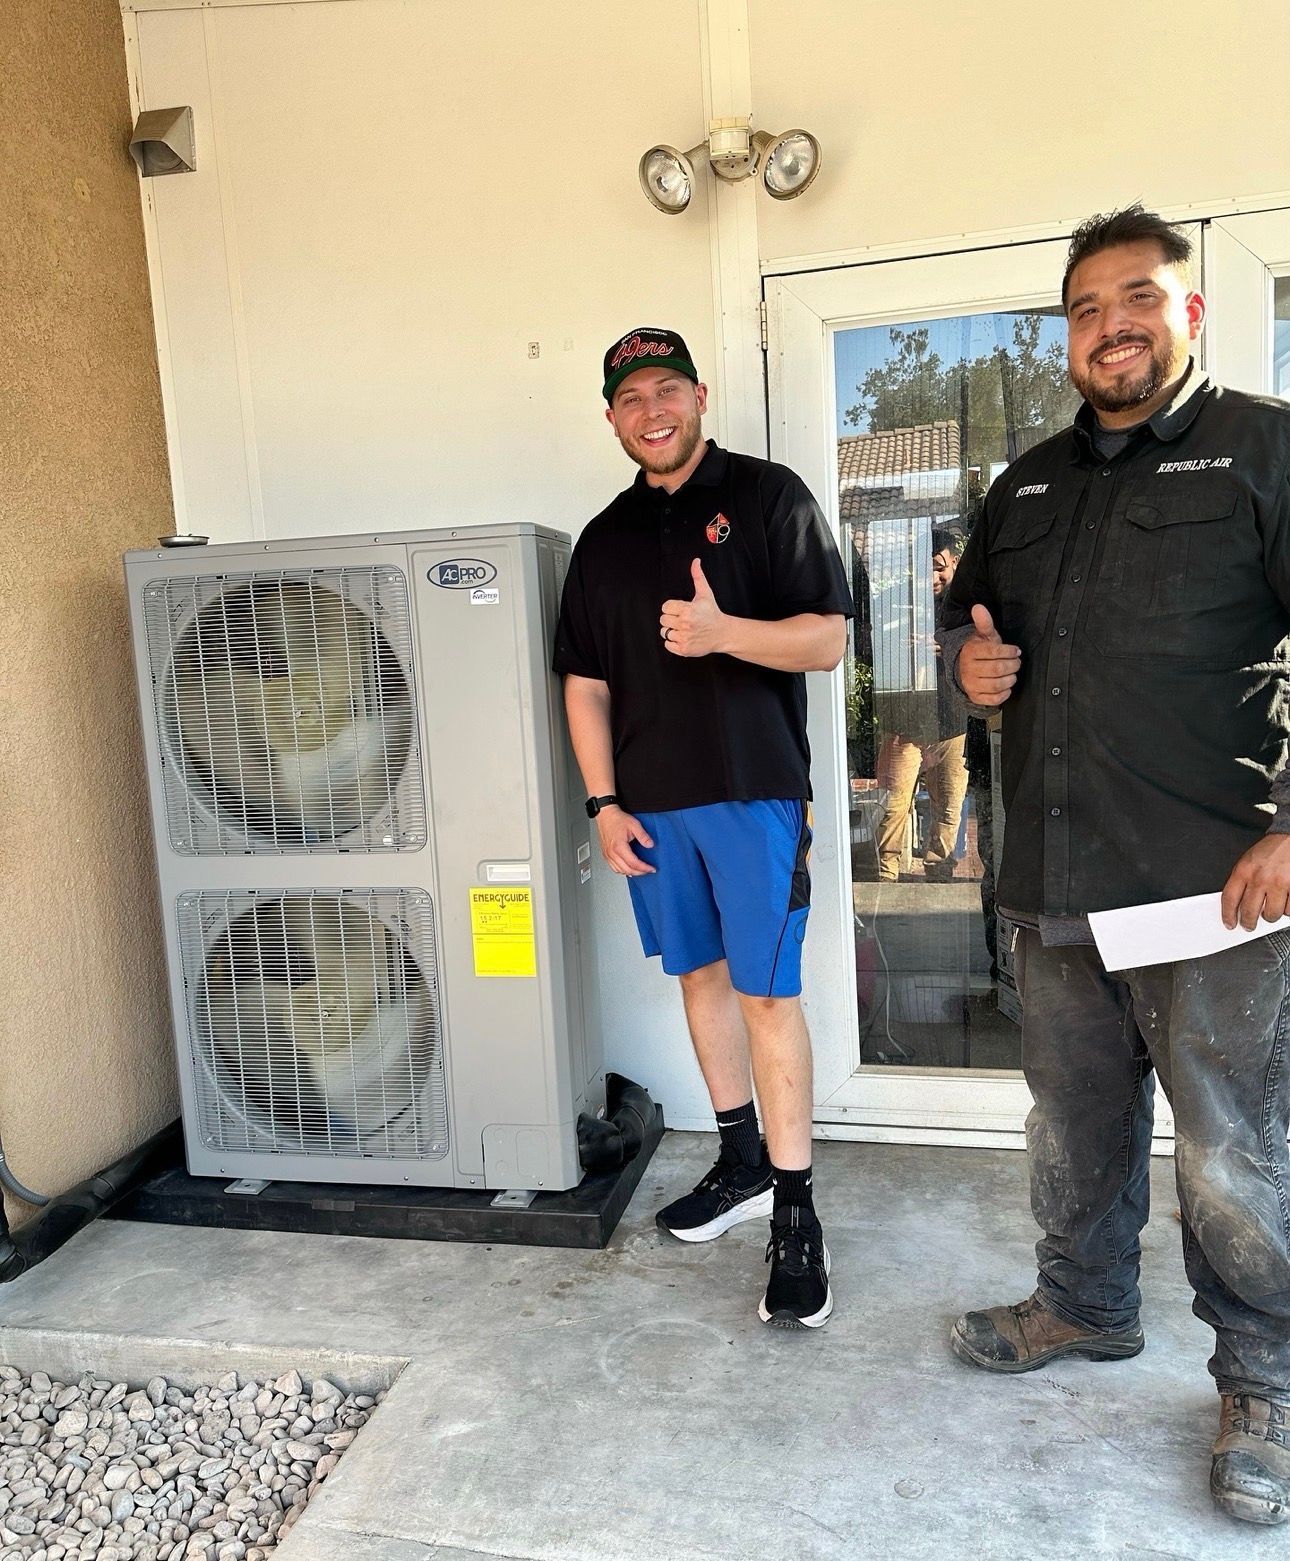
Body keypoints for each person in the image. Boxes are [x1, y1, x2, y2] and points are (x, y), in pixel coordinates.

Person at [938, 206, 1290, 1526]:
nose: (1111, 326)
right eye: (1085, 308)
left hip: (1212, 888)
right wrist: (970, 674)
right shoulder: (1026, 485)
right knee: (1073, 1130)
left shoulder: (1264, 451)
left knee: (1232, 1152)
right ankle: (1082, 1307)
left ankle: (1263, 1384)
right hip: (1057, 884)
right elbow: (975, 637)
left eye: (1136, 297)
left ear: (1185, 312)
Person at [554, 327, 853, 1329]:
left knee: (768, 996)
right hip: (650, 809)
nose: (652, 410)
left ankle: (798, 1212)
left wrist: (725, 634)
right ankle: (741, 1161)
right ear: (612, 417)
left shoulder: (769, 497)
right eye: (631, 396)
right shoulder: (602, 540)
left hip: (754, 793)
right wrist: (602, 804)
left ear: (700, 395)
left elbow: (827, 639)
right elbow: (584, 683)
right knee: (700, 979)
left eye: (667, 388)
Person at [874, 530, 969, 882]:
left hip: (953, 723)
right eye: (924, 569)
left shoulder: (970, 606)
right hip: (905, 723)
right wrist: (898, 642)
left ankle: (939, 872)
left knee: (948, 807)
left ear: (956, 562)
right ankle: (887, 875)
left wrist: (949, 649)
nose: (932, 578)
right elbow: (871, 649)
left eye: (940, 568)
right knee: (893, 805)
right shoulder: (895, 601)